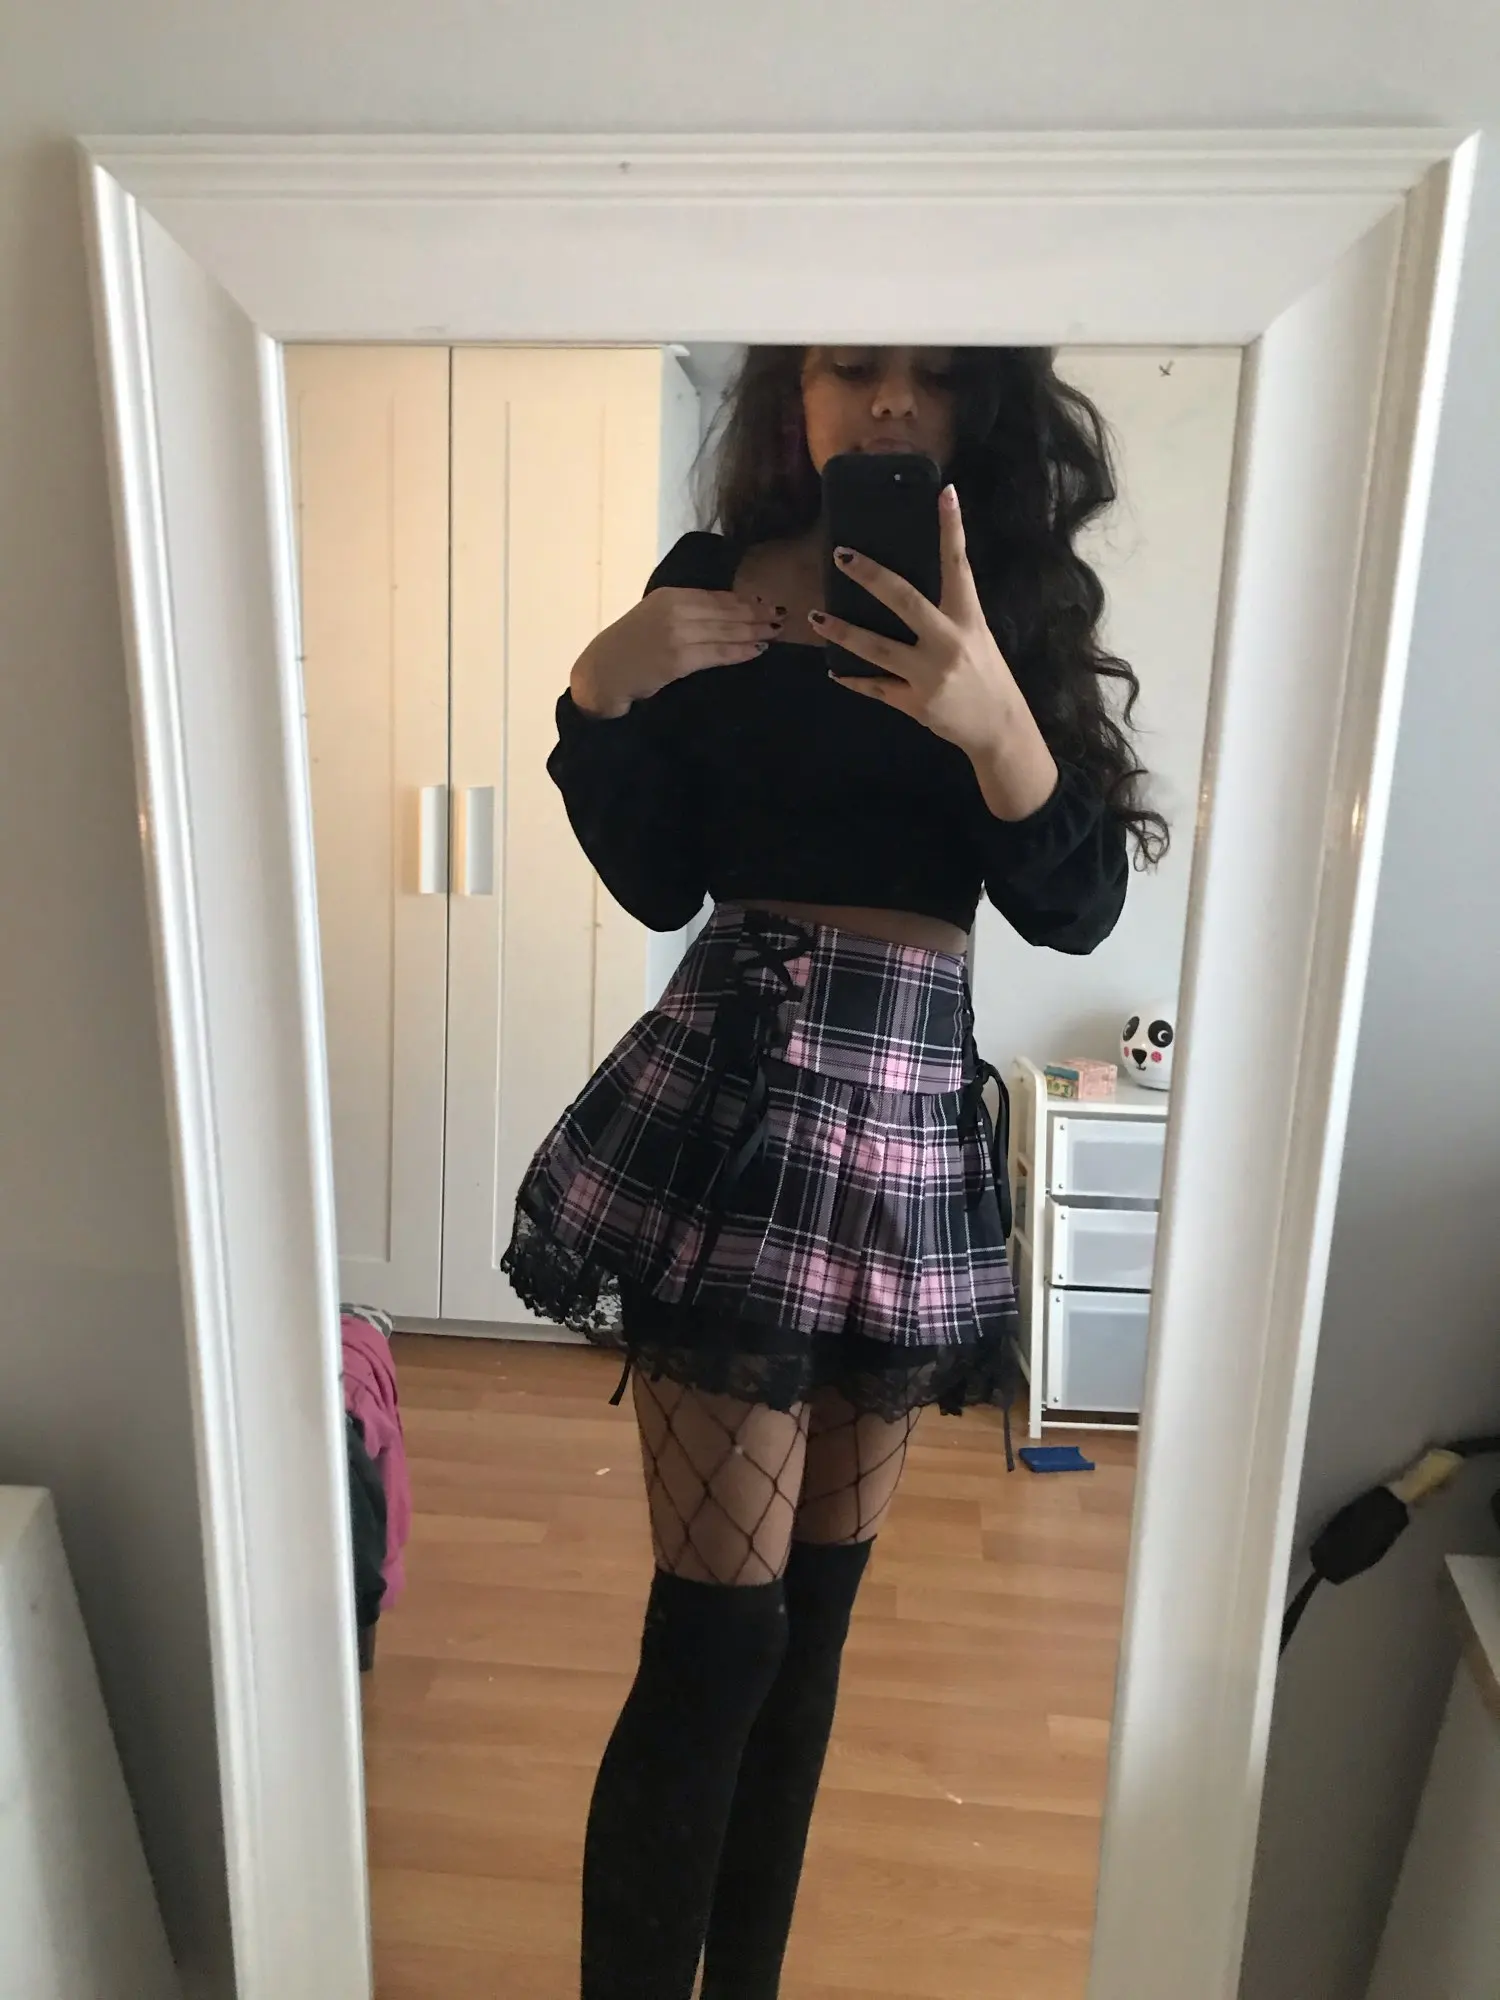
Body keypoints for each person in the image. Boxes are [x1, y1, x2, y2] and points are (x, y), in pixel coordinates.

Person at [501, 345, 1167, 1999]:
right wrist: (596, 692)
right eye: (847, 367)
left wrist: (996, 721)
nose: (884, 405)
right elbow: (661, 884)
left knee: (810, 1643)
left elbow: (1077, 906)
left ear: (981, 402)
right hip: (737, 1109)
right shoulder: (714, 577)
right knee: (718, 1641)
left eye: (928, 376)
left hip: (909, 1128)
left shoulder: (1009, 602)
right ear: (787, 393)